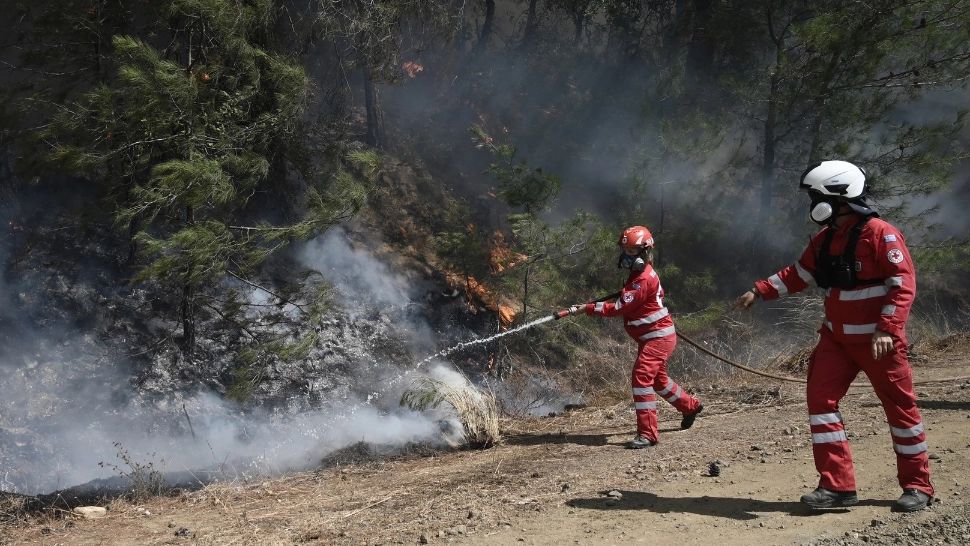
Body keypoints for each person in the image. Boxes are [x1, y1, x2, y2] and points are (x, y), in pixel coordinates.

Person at [734, 160, 933, 512]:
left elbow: (902, 286)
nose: (812, 204)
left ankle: (918, 486)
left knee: (900, 411)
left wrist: (887, 328)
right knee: (820, 403)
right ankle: (837, 487)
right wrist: (760, 291)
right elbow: (798, 274)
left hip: (878, 344)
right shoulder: (825, 239)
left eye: (815, 196)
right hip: (836, 341)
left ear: (838, 197)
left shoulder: (882, 234)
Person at [567, 225, 703, 448]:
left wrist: (588, 308)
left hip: (658, 337)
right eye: (625, 251)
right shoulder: (638, 275)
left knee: (641, 377)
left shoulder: (643, 279)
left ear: (645, 252)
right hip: (652, 336)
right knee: (658, 380)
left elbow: (619, 308)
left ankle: (648, 434)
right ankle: (690, 406)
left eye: (631, 252)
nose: (626, 256)